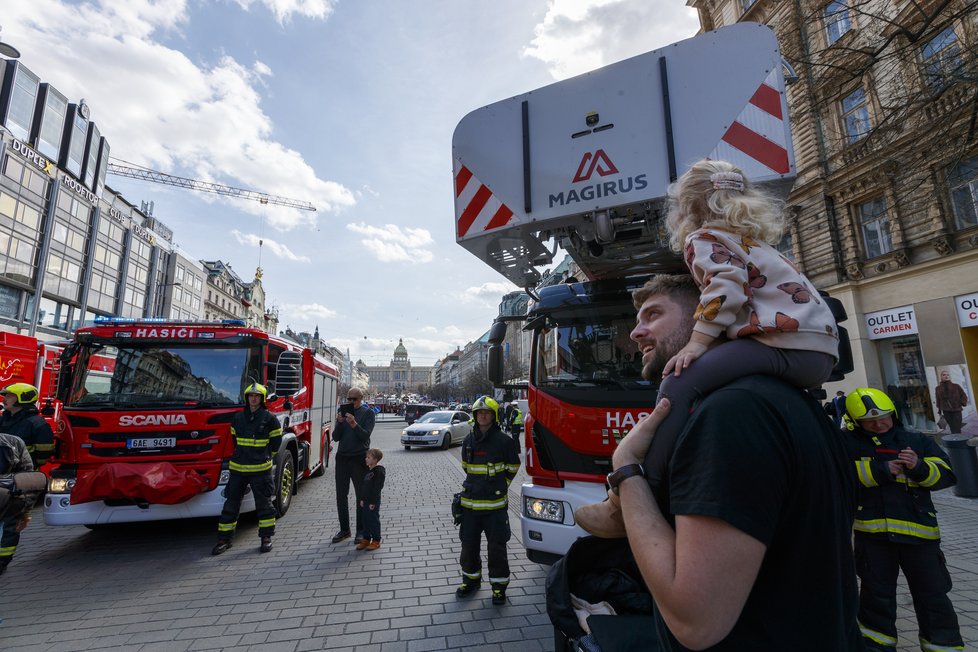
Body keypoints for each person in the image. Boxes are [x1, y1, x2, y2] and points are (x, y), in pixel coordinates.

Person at [576, 159, 841, 537]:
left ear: (688, 208)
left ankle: (628, 500)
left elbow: (725, 290)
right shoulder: (758, 245)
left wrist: (698, 343)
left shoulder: (704, 239)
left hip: (783, 342)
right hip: (816, 351)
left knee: (679, 380)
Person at [608, 274, 861, 649]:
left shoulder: (730, 414)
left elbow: (695, 623)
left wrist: (626, 468)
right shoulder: (787, 400)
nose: (636, 333)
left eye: (653, 315)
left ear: (710, 315)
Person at [843, 387, 963, 651]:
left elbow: (946, 474)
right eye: (870, 421)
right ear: (854, 421)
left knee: (934, 598)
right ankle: (876, 646)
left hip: (921, 537)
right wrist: (879, 470)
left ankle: (943, 646)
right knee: (876, 598)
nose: (878, 423)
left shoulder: (915, 439)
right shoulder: (846, 443)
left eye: (884, 417)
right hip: (873, 538)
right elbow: (837, 476)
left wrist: (919, 467)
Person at [456, 396, 520, 606]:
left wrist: (500, 486)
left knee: (497, 550)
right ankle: (471, 581)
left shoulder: (504, 441)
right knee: (468, 548)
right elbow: (467, 467)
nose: (483, 416)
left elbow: (513, 467)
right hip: (470, 506)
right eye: (479, 413)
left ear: (494, 416)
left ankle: (499, 588)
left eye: (487, 412)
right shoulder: (468, 440)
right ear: (475, 416)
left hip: (495, 508)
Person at [211, 383, 282, 555]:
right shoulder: (238, 418)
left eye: (257, 396)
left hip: (260, 469)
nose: (254, 398)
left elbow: (275, 445)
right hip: (238, 469)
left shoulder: (270, 419)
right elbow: (236, 440)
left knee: (264, 504)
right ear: (247, 398)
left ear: (263, 398)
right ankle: (224, 539)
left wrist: (262, 456)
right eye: (251, 395)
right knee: (231, 504)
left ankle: (266, 537)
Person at [331, 386, 375, 544]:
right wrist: (339, 423)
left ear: (361, 399)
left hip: (359, 458)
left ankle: (361, 531)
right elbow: (335, 438)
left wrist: (354, 423)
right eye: (348, 399)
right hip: (342, 458)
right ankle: (344, 529)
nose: (350, 402)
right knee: (341, 495)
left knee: (360, 496)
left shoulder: (368, 413)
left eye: (354, 399)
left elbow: (365, 436)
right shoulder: (343, 414)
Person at [0, 432, 36, 574]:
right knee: (10, 528)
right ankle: (2, 561)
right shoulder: (14, 441)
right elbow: (28, 477)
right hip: (11, 495)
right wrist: (26, 510)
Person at [0, 383, 55, 469]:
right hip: (4, 472)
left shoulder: (37, 424)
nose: (4, 400)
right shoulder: (3, 419)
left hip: (23, 475)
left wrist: (27, 466)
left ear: (24, 398)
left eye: (9, 396)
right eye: (5, 396)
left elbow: (44, 454)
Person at [356, 448, 386, 551]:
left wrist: (373, 502)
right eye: (366, 457)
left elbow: (377, 488)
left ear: (375, 460)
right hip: (366, 501)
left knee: (373, 520)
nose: (366, 459)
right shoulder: (368, 471)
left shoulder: (378, 471)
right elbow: (364, 487)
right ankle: (366, 538)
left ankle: (376, 540)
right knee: (365, 519)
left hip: (373, 501)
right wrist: (362, 499)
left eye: (369, 457)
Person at [935, 369, 969, 434]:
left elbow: (963, 395)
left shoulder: (956, 386)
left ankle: (959, 441)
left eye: (947, 375)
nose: (946, 376)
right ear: (941, 377)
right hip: (946, 411)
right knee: (952, 428)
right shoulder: (938, 388)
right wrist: (939, 410)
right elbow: (938, 399)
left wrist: (961, 402)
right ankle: (955, 441)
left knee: (957, 428)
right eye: (944, 375)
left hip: (957, 410)